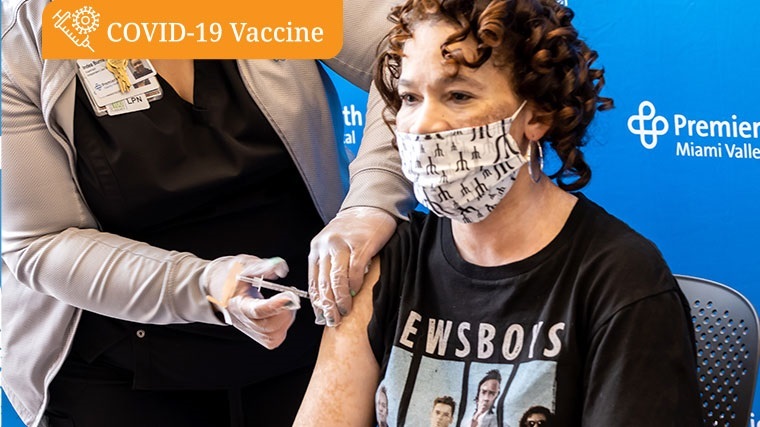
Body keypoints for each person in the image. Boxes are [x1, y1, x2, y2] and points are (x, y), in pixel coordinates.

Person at [1, 0, 414, 426]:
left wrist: (370, 202)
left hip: (307, 334)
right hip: (116, 365)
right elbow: (40, 241)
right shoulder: (25, 37)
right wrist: (207, 285)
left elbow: (419, 53)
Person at [294, 0, 702, 426]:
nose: (421, 124)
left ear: (538, 114)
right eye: (411, 97)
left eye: (458, 95)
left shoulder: (620, 278)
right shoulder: (386, 261)